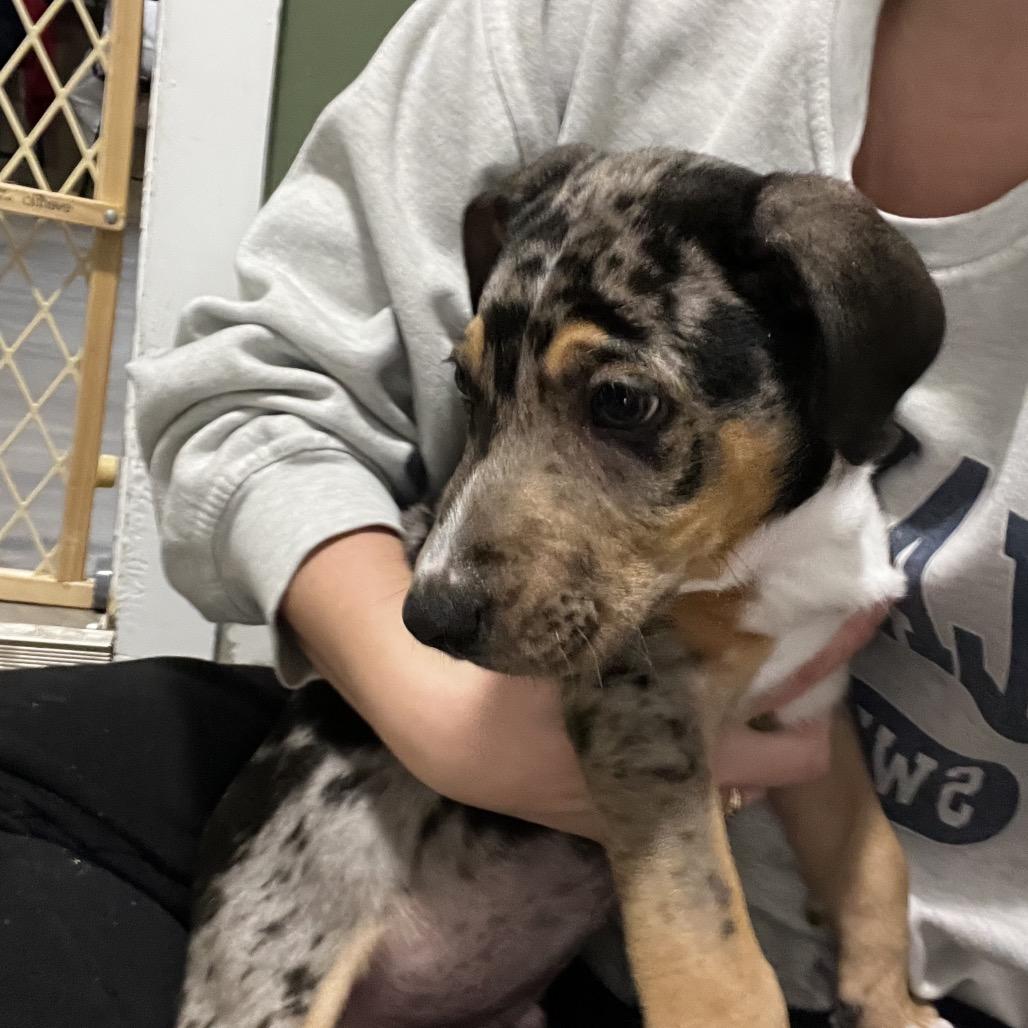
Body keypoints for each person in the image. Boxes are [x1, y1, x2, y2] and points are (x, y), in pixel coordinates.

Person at [0, 0, 1024, 1025]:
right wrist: (438, 714)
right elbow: (250, 388)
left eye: (622, 405)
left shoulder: (803, 450)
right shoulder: (567, 24)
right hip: (394, 830)